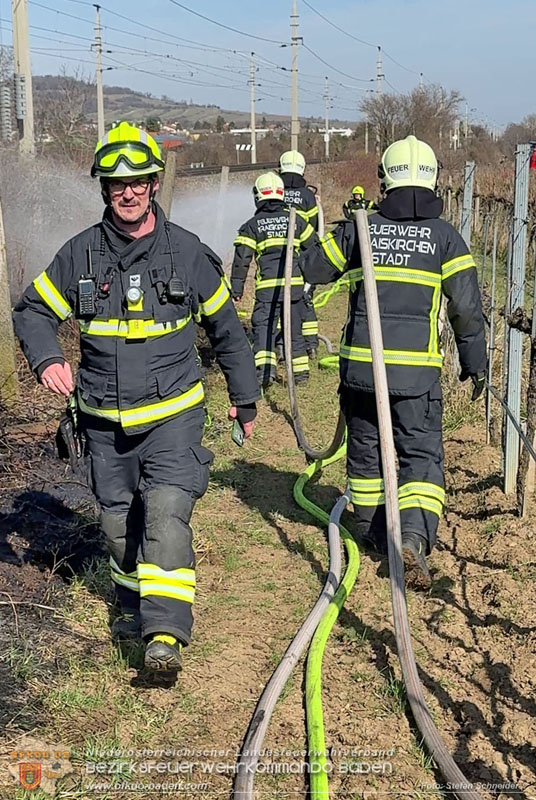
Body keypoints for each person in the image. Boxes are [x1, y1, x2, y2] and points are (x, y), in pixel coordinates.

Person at [13, 122, 260, 671]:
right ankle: (131, 606)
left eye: (139, 182)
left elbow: (226, 330)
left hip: (174, 414)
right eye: (116, 184)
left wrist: (245, 399)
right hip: (103, 421)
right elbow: (31, 311)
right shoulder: (80, 255)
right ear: (105, 189)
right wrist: (48, 358)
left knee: (167, 512)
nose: (128, 192)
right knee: (118, 520)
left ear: (153, 185)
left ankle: (165, 632)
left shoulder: (187, 254)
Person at [301, 135, 486, 589]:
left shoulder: (361, 227)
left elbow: (312, 268)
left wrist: (343, 226)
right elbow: (466, 307)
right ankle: (414, 537)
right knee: (419, 458)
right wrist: (475, 361)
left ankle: (370, 532)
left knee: (365, 455)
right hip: (416, 377)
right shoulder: (446, 238)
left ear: (385, 181)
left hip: (361, 372)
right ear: (433, 180)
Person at [231, 172, 315, 388]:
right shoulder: (296, 221)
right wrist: (310, 279)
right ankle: (301, 375)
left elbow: (242, 260)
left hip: (268, 292)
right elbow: (313, 249)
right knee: (294, 330)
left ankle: (266, 373)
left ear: (257, 196)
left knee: (264, 330)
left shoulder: (252, 226)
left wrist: (237, 288)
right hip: (295, 289)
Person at [279, 150, 320, 359]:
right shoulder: (307, 195)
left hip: (277, 257)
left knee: (279, 300)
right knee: (304, 298)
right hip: (302, 255)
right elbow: (314, 226)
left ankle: (280, 344)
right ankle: (310, 344)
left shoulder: (275, 192)